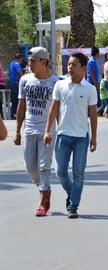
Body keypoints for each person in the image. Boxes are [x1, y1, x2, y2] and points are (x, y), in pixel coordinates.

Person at [44, 52, 98, 219]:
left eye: (74, 64)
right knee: (60, 171)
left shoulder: (90, 89)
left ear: (83, 68)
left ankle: (73, 206)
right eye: (69, 64)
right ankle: (73, 194)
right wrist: (47, 130)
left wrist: (94, 137)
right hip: (63, 135)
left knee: (78, 173)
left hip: (81, 137)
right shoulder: (60, 86)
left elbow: (93, 115)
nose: (70, 67)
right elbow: (53, 109)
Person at [13, 47, 59, 217]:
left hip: (47, 130)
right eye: (29, 60)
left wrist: (60, 131)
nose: (29, 64)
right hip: (29, 129)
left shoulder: (54, 83)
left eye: (33, 61)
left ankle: (42, 201)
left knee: (43, 166)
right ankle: (45, 189)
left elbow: (57, 109)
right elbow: (21, 106)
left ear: (44, 62)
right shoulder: (25, 80)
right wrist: (17, 131)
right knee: (31, 168)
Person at [8, 53, 24, 119]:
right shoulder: (17, 64)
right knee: (18, 99)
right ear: (20, 59)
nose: (21, 62)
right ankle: (17, 114)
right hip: (16, 83)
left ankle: (12, 114)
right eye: (21, 60)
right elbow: (20, 73)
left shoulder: (11, 63)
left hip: (11, 82)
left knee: (13, 99)